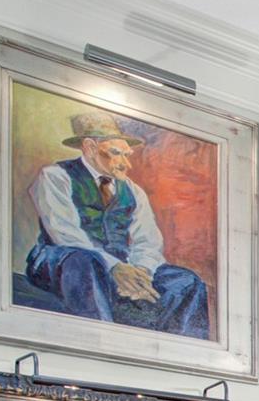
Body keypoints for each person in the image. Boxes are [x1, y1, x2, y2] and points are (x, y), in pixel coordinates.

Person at [23, 109, 210, 338]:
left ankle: (186, 362)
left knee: (187, 282)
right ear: (90, 147)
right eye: (116, 153)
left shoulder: (132, 190)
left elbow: (148, 240)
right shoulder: (55, 176)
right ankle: (101, 346)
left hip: (122, 266)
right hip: (62, 261)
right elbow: (65, 234)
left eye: (126, 154)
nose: (126, 164)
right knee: (85, 261)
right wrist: (114, 267)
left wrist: (141, 272)